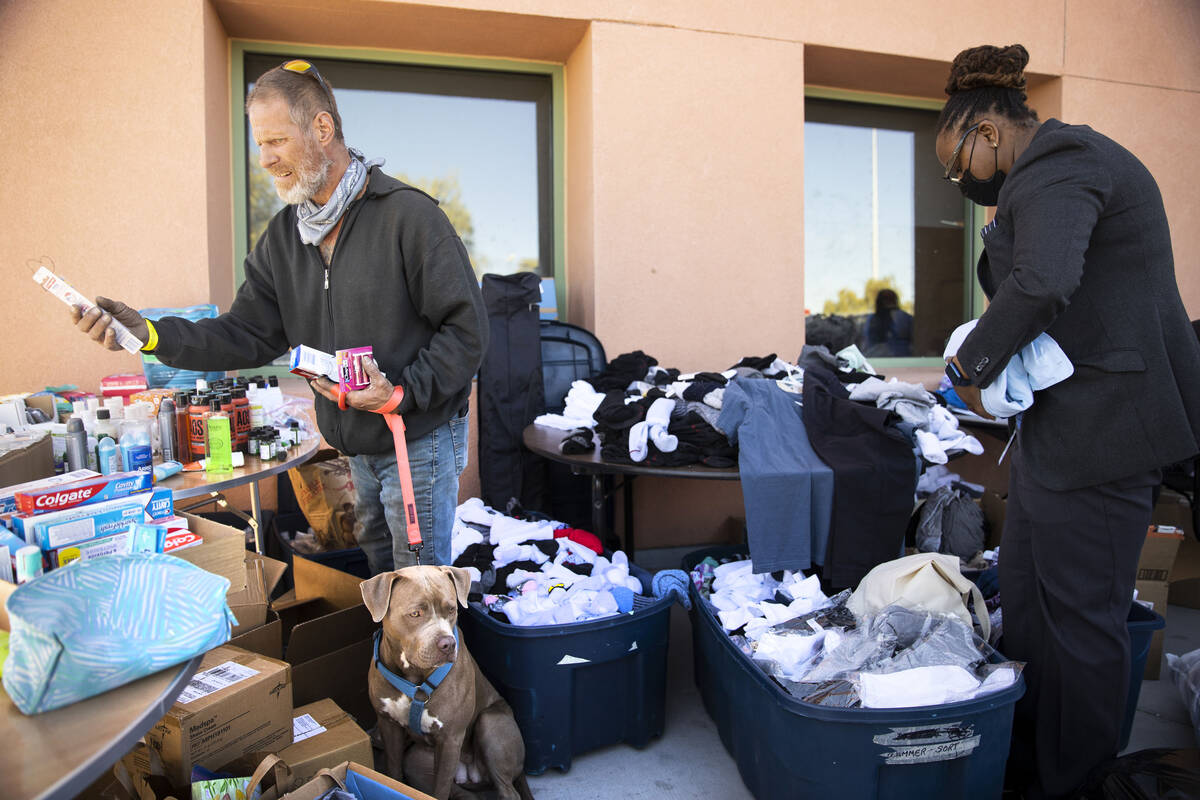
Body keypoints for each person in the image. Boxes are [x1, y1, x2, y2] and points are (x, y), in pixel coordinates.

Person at [71, 59, 488, 575]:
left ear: (322, 127)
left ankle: (429, 661)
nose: (264, 159)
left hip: (416, 435)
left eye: (275, 142)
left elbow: (467, 329)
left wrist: (401, 393)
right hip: (358, 444)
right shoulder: (284, 237)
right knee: (383, 578)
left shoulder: (409, 217)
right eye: (259, 145)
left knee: (420, 593)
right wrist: (151, 335)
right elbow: (244, 334)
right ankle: (385, 657)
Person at [935, 44, 1200, 798]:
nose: (958, 181)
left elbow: (1044, 280)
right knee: (1026, 601)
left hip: (1109, 431)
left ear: (987, 133)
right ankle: (1030, 766)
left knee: (1081, 624)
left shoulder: (1062, 160)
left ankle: (1080, 783)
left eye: (956, 163)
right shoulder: (1045, 173)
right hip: (1067, 433)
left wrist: (965, 369)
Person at [863, 288, 914, 357]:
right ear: (895, 300)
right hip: (902, 359)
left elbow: (869, 341)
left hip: (878, 358)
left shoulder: (871, 319)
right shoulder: (906, 318)